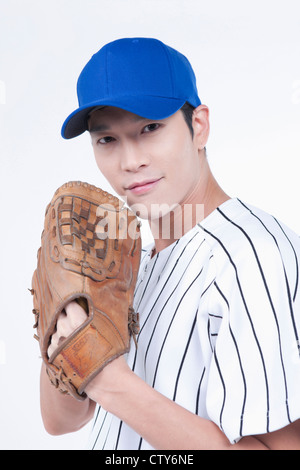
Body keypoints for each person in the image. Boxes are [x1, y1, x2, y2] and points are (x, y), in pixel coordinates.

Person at [40, 37, 300, 450]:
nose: (130, 161)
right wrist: (62, 320)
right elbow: (60, 422)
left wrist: (108, 380)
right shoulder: (125, 258)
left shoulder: (250, 256)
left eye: (150, 128)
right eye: (107, 139)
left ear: (199, 126)